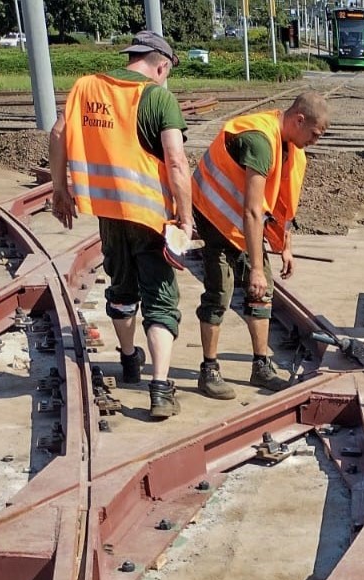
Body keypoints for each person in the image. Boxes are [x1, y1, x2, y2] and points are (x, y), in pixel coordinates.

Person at [49, 30, 193, 420]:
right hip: (149, 216)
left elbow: (59, 133)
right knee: (161, 298)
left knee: (122, 287)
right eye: (167, 72)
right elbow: (176, 162)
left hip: (108, 212)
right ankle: (160, 389)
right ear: (160, 65)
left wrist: (60, 189)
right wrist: (186, 216)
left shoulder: (86, 87)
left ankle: (129, 360)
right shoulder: (158, 97)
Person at [191, 93, 328, 400]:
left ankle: (260, 366)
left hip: (241, 221)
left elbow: (281, 203)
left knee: (261, 293)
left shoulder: (290, 146)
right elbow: (253, 211)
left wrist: (286, 246)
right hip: (215, 215)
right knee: (220, 291)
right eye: (315, 135)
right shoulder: (260, 142)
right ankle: (209, 370)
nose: (315, 141)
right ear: (299, 120)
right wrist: (255, 268)